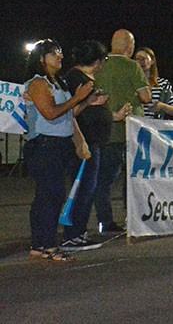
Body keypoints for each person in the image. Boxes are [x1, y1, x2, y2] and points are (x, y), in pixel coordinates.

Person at [23, 39, 97, 262]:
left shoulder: (56, 81)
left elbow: (67, 115)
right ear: (41, 58)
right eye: (55, 54)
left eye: (60, 53)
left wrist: (79, 140)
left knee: (49, 196)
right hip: (45, 145)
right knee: (50, 197)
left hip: (58, 145)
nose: (60, 57)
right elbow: (50, 113)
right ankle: (47, 245)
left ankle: (40, 245)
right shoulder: (37, 83)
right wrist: (77, 97)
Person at [94, 29, 152, 233]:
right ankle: (134, 217)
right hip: (130, 132)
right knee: (133, 178)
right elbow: (146, 98)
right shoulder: (132, 67)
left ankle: (104, 220)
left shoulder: (99, 65)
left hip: (104, 131)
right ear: (130, 46)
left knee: (104, 181)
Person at [60, 41, 116, 251]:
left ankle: (78, 232)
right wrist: (87, 102)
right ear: (98, 61)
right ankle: (73, 234)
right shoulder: (75, 78)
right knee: (83, 189)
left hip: (95, 141)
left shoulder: (83, 78)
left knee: (88, 188)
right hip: (85, 142)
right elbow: (69, 112)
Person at [134, 47, 173, 119]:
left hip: (153, 126)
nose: (141, 62)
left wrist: (161, 106)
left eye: (143, 59)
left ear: (152, 61)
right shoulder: (131, 82)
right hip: (134, 125)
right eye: (138, 59)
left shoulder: (163, 84)